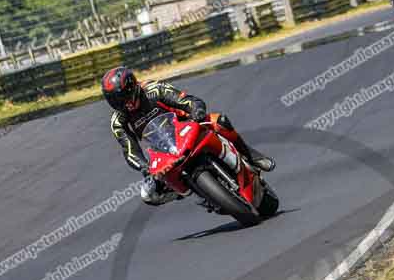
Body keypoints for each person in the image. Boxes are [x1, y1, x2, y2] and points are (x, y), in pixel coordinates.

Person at [103, 67, 275, 206]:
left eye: (123, 97)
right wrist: (145, 168)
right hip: (164, 150)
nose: (123, 103)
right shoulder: (118, 121)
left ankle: (251, 156)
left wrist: (196, 111)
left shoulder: (154, 90)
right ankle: (186, 191)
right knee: (148, 195)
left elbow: (188, 100)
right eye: (116, 101)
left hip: (187, 127)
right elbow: (130, 151)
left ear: (132, 87)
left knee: (219, 121)